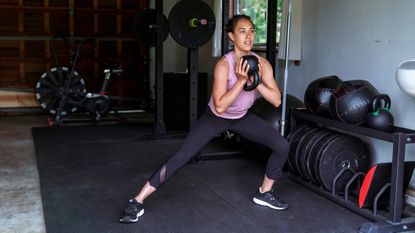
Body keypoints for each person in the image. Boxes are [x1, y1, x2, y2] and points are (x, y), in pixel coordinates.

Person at [119, 14, 290, 223]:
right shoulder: (224, 66)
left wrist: (256, 81)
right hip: (215, 117)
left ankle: (264, 192)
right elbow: (220, 105)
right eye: (242, 31)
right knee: (181, 156)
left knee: (282, 146)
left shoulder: (263, 64)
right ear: (231, 36)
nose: (248, 36)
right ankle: (137, 201)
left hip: (242, 117)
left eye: (252, 31)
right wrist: (241, 81)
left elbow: (277, 101)